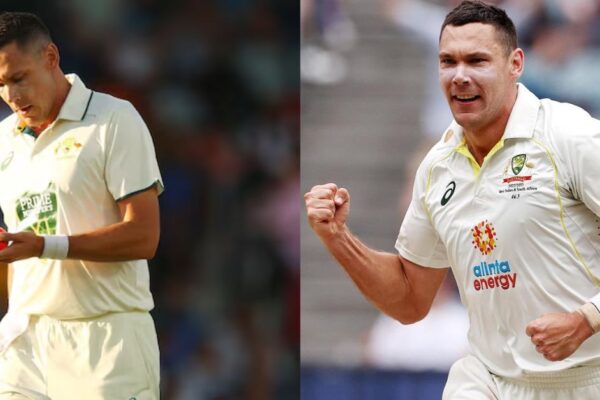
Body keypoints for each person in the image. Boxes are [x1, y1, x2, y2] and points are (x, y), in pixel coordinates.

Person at [304, 1, 600, 398]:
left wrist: (586, 319)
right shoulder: (437, 167)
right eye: (448, 62)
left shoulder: (569, 135)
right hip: (488, 380)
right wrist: (339, 239)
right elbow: (410, 301)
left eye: (477, 61)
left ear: (515, 64)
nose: (459, 76)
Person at [0, 11, 163, 399]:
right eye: (0, 84)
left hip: (106, 342)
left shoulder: (114, 119)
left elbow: (144, 237)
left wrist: (45, 246)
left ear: (51, 58)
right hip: (26, 342)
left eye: (19, 78)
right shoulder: (4, 137)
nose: (11, 96)